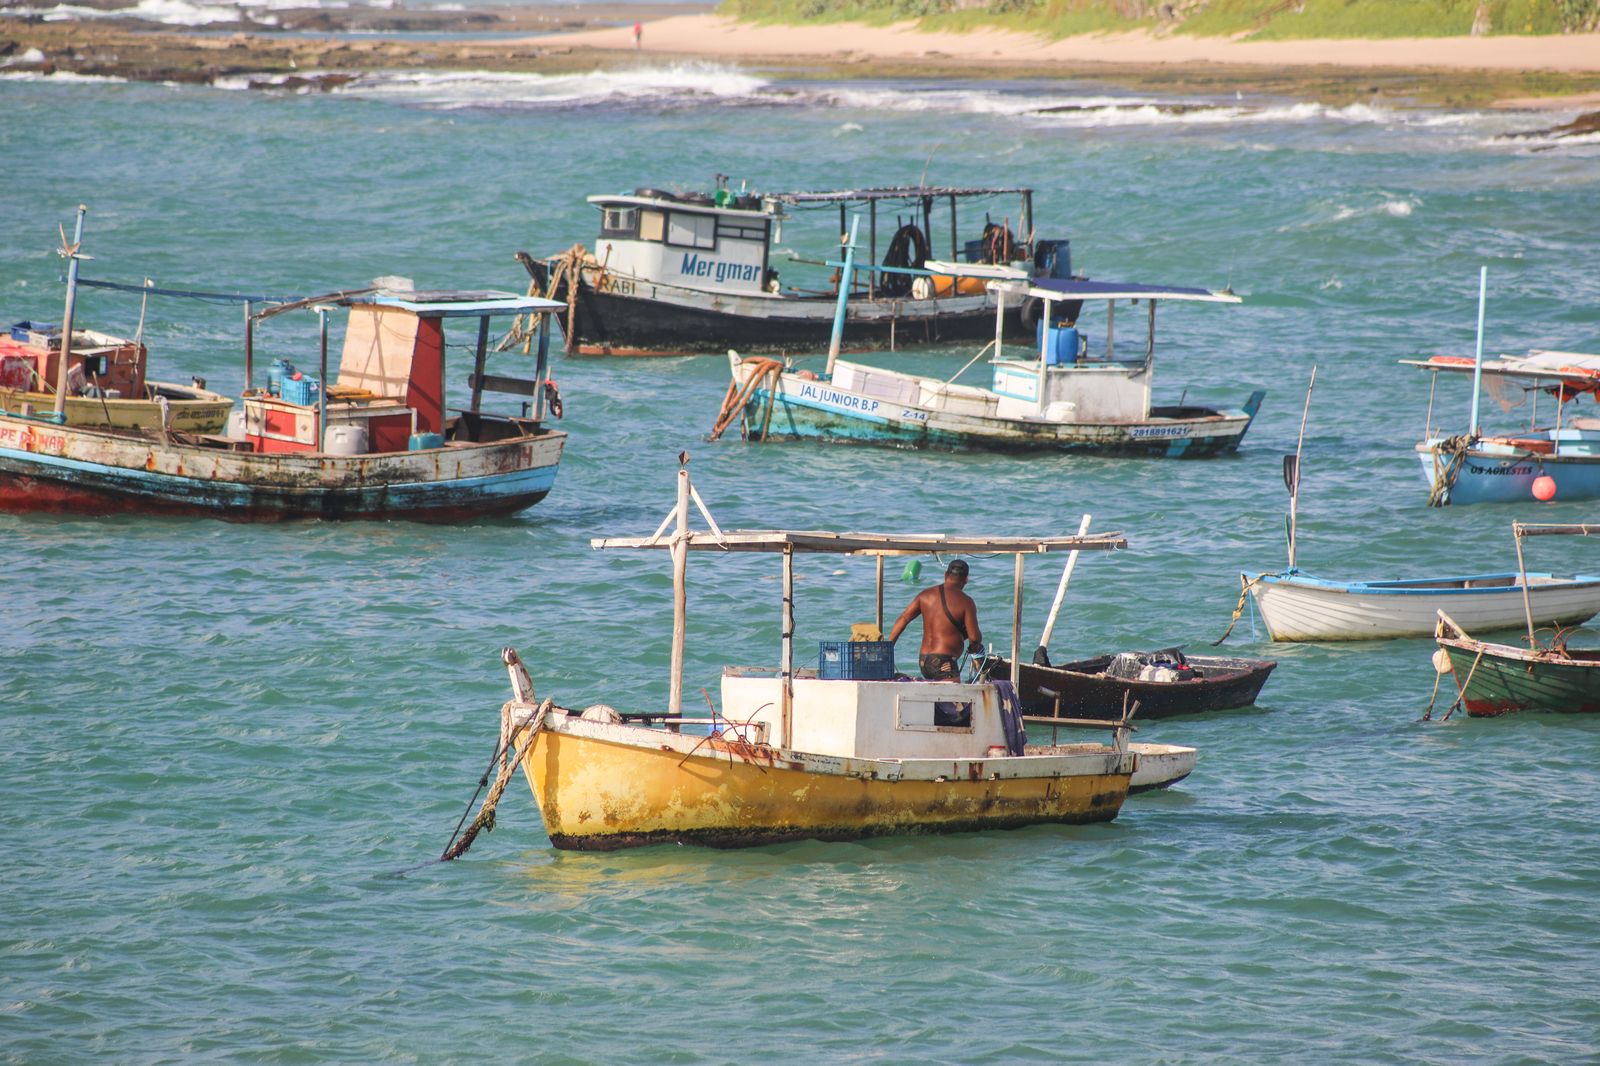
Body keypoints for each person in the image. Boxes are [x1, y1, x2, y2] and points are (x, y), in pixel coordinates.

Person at [888, 559, 983, 681]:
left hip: (924, 661)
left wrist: (888, 649)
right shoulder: (966, 601)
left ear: (945, 575)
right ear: (966, 579)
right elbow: (974, 638)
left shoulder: (925, 595)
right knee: (954, 694)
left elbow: (903, 619)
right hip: (944, 663)